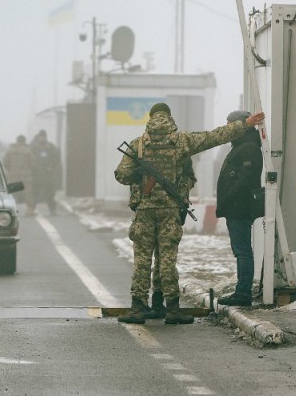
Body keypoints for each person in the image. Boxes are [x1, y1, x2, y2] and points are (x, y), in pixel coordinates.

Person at [114, 102, 265, 325]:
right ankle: (172, 309)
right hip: (170, 211)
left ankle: (138, 308)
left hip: (144, 211)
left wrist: (140, 173)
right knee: (167, 259)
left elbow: (122, 175)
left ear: (151, 118)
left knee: (142, 260)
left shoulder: (138, 145)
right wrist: (244, 125)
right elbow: (214, 137)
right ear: (169, 117)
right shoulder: (181, 141)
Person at [215, 110, 265, 307]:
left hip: (240, 206)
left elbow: (245, 180)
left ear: (240, 124)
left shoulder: (248, 148)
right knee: (241, 250)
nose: (228, 128)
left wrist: (228, 197)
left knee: (243, 250)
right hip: (236, 206)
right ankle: (241, 290)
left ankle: (243, 292)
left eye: (229, 124)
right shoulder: (242, 146)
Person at [145, 155, 196, 320]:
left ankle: (157, 304)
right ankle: (171, 308)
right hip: (164, 210)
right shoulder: (180, 149)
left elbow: (188, 177)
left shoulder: (144, 147)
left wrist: (179, 194)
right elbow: (189, 177)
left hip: (153, 209)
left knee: (157, 260)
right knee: (165, 259)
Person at [30, 130, 61, 215]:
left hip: (48, 174)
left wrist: (52, 167)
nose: (42, 138)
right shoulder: (34, 147)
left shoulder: (51, 147)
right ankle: (31, 209)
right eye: (41, 137)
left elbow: (56, 159)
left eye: (43, 137)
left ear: (46, 137)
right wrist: (32, 169)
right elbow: (29, 159)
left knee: (50, 193)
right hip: (36, 174)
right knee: (34, 193)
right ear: (38, 137)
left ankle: (53, 210)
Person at [3, 135, 36, 215]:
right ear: (24, 141)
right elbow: (33, 163)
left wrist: (11, 169)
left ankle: (10, 211)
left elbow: (5, 162)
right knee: (28, 192)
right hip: (25, 175)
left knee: (13, 193)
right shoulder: (27, 150)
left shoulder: (10, 150)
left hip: (13, 174)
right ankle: (29, 210)